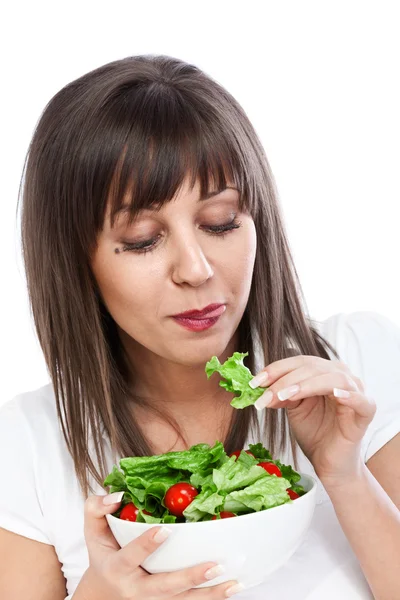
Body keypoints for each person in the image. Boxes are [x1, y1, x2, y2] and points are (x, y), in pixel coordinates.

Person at [0, 54, 399, 600]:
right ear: (75, 262)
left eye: (221, 222)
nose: (196, 269)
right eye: (143, 239)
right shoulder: (25, 444)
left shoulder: (358, 359)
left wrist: (345, 476)